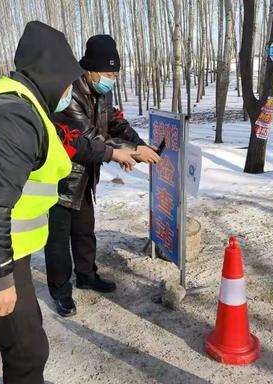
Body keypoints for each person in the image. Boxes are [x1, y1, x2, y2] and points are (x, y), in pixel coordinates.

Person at [0, 22, 136, 384]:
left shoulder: (28, 106)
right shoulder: (13, 115)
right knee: (28, 350)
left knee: (25, 346)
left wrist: (117, 152)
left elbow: (69, 141)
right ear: (49, 75)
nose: (69, 92)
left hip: (5, 249)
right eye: (67, 83)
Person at [45, 34, 160, 317]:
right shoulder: (68, 94)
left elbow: (115, 122)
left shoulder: (102, 91)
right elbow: (89, 138)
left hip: (85, 176)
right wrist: (130, 153)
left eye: (115, 74)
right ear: (91, 69)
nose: (112, 79)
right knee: (58, 240)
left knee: (84, 230)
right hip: (62, 178)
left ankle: (86, 275)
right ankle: (61, 291)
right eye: (109, 73)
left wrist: (139, 144)